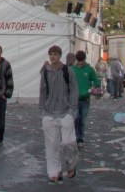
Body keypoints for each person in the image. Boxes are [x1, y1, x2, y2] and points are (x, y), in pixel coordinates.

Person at [40, 46, 78, 183]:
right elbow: (42, 92)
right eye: (50, 54)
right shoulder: (46, 71)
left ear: (60, 55)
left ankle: (71, 163)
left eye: (55, 54)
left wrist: (72, 111)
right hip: (49, 112)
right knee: (51, 145)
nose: (52, 57)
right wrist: (43, 112)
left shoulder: (68, 71)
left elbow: (74, 91)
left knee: (68, 142)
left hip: (66, 111)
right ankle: (54, 172)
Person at [71, 50, 99, 147]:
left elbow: (96, 81)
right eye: (78, 61)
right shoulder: (72, 69)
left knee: (82, 120)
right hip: (74, 99)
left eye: (82, 61)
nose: (80, 63)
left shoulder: (89, 69)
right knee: (75, 118)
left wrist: (91, 89)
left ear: (84, 60)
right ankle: (75, 137)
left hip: (85, 99)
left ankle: (80, 138)